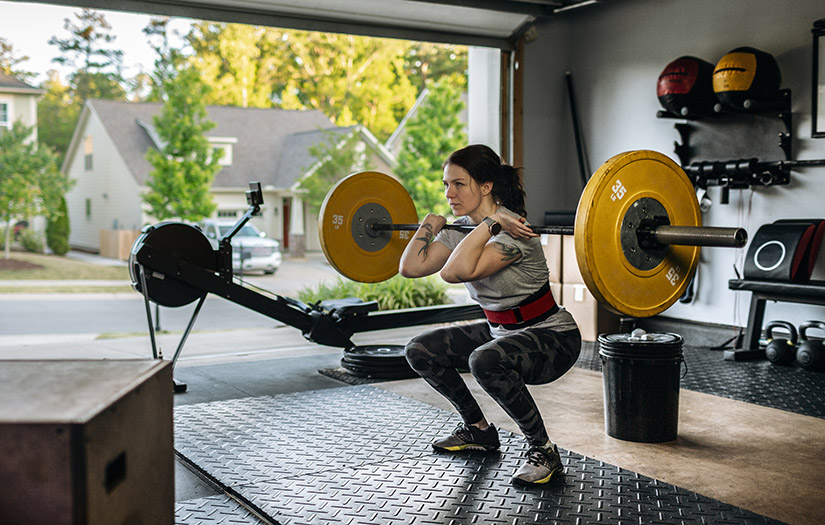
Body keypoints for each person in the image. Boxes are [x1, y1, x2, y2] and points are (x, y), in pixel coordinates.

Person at [399, 144, 581, 486]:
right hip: (502, 332)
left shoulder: (515, 233)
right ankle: (478, 430)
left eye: (458, 184)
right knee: (418, 350)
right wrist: (428, 226)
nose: (449, 193)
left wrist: (493, 223)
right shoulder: (461, 231)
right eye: (445, 184)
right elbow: (410, 267)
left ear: (486, 187)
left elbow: (455, 272)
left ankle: (544, 450)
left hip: (553, 339)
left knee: (483, 360)